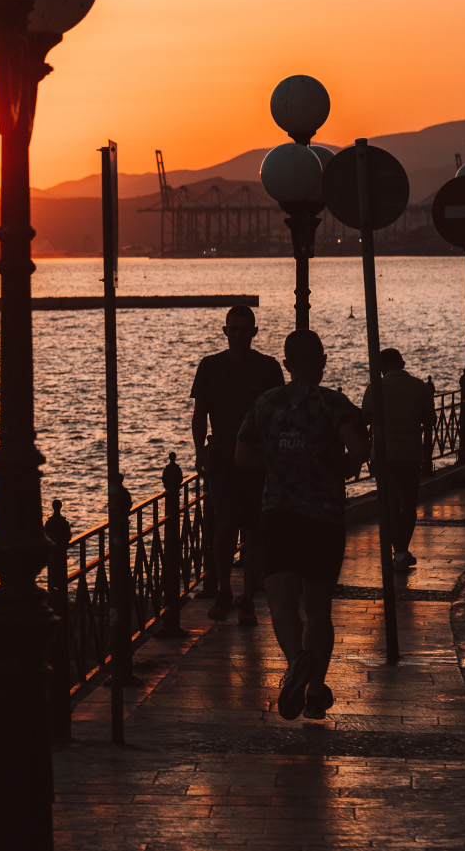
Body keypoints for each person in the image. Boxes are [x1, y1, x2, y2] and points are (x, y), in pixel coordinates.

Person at [236, 329, 369, 721]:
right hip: (323, 517)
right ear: (323, 362)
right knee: (318, 608)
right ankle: (313, 693)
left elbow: (242, 457)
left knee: (280, 601)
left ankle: (296, 660)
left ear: (287, 364)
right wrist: (344, 464)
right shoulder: (334, 404)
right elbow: (360, 448)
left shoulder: (265, 403)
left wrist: (281, 463)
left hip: (277, 513)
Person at [190, 305, 285, 625]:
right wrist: (200, 451)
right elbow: (200, 413)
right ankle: (222, 590)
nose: (241, 334)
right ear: (226, 331)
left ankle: (247, 598)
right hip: (223, 456)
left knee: (255, 531)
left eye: (247, 329)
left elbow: (280, 415)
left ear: (255, 332)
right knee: (226, 522)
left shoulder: (268, 367)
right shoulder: (210, 366)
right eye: (235, 329)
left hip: (260, 459)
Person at [363, 349, 435, 569]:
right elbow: (430, 419)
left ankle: (400, 552)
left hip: (383, 456)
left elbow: (365, 417)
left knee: (390, 505)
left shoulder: (376, 387)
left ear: (382, 367)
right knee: (409, 505)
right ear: (402, 363)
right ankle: (402, 551)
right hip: (411, 455)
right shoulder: (420, 386)